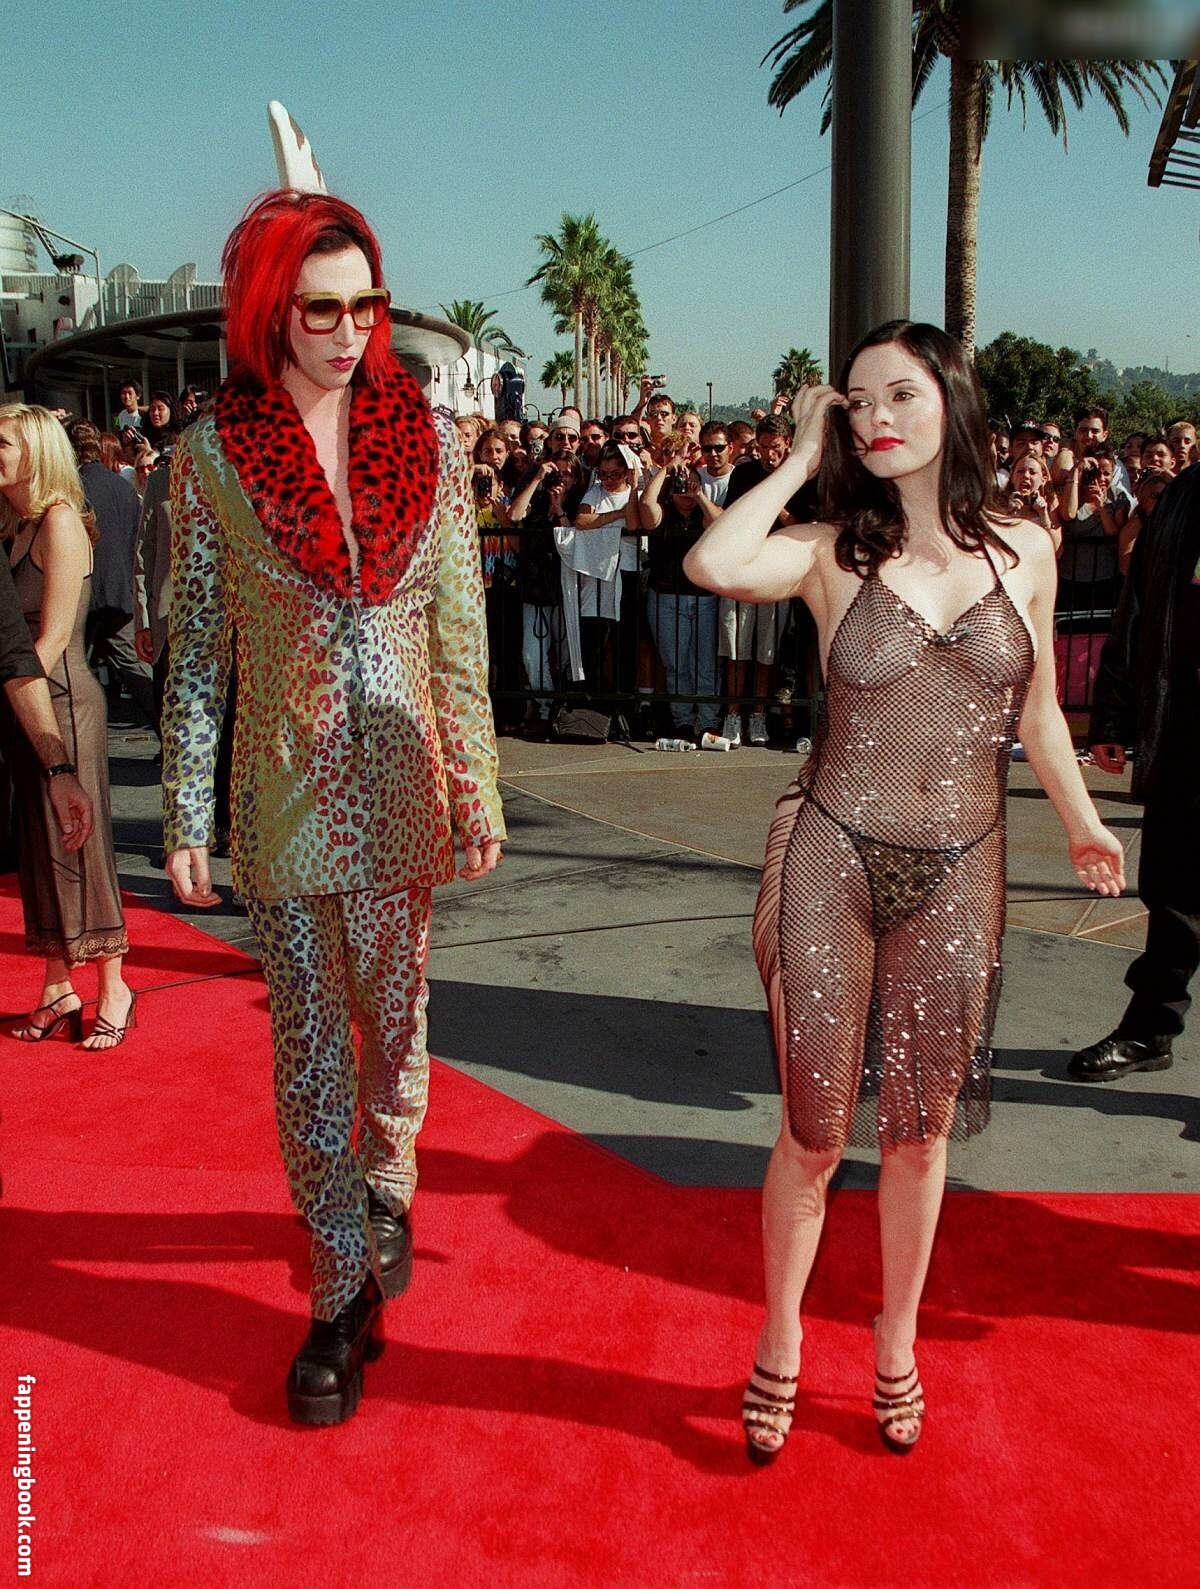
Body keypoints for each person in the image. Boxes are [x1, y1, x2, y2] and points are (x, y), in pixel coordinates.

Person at [684, 321, 1124, 1463]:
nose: (877, 417)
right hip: (831, 854)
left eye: (901, 395)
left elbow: (1038, 714)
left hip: (963, 867)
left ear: (952, 403)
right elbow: (714, 564)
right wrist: (797, 454)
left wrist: (1082, 823)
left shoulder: (1025, 549)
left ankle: (896, 1337)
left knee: (921, 1135)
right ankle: (781, 1332)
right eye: (859, 401)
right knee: (814, 1130)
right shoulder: (832, 551)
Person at [161, 188, 505, 1426]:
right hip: (285, 793)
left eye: (369, 304)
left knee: (394, 1017)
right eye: (323, 307)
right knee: (307, 1038)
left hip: (405, 779)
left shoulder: (434, 444)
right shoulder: (211, 459)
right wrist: (187, 805)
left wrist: (476, 780)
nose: (352, 328)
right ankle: (337, 1285)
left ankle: (390, 1179)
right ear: (271, 313)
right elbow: (199, 645)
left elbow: (457, 628)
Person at [0, 404, 133, 1048]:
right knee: (39, 845)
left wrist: (12, 694)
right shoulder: (16, 524)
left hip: (65, 703)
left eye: (2, 443)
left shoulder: (59, 520)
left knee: (82, 843)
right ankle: (58, 986)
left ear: (35, 450)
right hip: (28, 701)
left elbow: (51, 640)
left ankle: (115, 985)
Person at [1070, 462, 1200, 1081]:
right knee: (1172, 893)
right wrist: (1114, 715)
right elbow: (1139, 607)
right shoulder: (1184, 496)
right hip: (1184, 726)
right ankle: (1150, 1031)